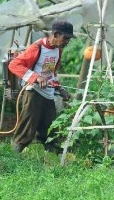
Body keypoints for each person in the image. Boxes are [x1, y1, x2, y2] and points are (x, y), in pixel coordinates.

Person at [8, 21, 74, 153]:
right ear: (55, 34)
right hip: (33, 92)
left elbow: (52, 73)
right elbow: (14, 65)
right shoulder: (37, 47)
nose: (67, 42)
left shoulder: (57, 51)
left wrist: (59, 89)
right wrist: (36, 78)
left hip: (48, 94)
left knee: (50, 129)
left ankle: (52, 159)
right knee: (26, 128)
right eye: (65, 38)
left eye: (69, 39)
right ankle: (13, 156)